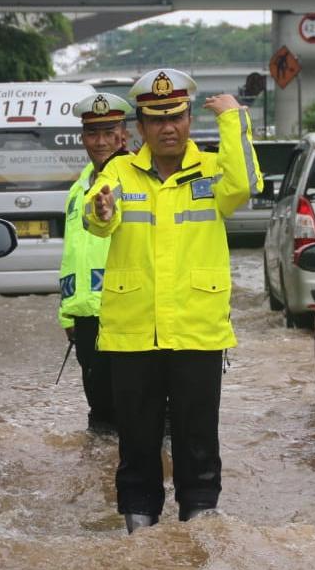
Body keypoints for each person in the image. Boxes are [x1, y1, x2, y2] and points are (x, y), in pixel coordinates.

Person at [85, 68, 262, 533]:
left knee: (197, 437)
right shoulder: (120, 170)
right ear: (140, 128)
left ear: (189, 121)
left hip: (197, 328)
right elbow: (98, 218)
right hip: (133, 331)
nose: (169, 127)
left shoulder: (212, 171)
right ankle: (139, 529)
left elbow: (245, 185)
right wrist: (100, 211)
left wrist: (235, 120)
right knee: (137, 440)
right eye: (157, 119)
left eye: (178, 117)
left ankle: (200, 525)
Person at [59, 92, 132, 432]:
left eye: (109, 132)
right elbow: (72, 254)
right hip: (87, 318)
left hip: (128, 312)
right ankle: (100, 481)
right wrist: (67, 313)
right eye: (92, 133)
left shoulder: (137, 182)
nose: (100, 141)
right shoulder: (78, 189)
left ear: (124, 135)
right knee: (101, 415)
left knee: (138, 413)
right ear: (82, 137)